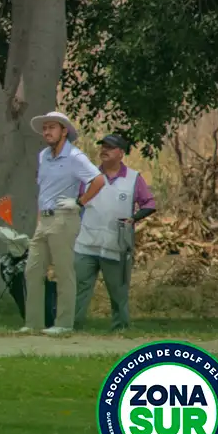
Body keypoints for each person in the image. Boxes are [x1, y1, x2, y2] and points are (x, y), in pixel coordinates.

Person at [22, 111, 106, 336]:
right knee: (32, 270)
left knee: (63, 271)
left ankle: (64, 323)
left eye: (52, 127)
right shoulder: (43, 156)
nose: (47, 132)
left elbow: (99, 180)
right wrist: (39, 219)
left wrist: (79, 202)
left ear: (64, 131)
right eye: (45, 128)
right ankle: (33, 323)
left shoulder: (75, 157)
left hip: (64, 217)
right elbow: (44, 190)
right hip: (45, 219)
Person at [73, 134, 157, 332]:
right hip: (86, 242)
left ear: (121, 153)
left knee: (118, 290)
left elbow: (149, 203)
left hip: (116, 244)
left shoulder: (133, 178)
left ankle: (120, 329)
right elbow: (77, 201)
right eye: (103, 146)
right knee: (78, 288)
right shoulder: (88, 176)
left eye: (110, 147)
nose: (104, 150)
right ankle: (72, 326)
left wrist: (133, 219)